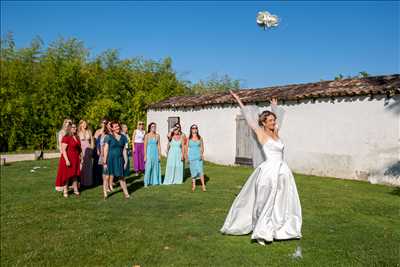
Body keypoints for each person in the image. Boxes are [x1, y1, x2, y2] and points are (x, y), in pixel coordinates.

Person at [220, 91, 302, 246]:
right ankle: (260, 232)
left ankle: (277, 228)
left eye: (273, 120)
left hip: (283, 171)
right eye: (270, 120)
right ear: (263, 123)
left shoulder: (276, 132)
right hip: (269, 171)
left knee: (281, 200)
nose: (273, 122)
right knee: (264, 201)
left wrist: (274, 107)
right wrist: (238, 100)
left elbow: (276, 121)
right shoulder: (261, 133)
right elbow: (250, 119)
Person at [103, 121, 130, 199]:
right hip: (110, 159)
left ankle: (126, 194)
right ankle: (105, 193)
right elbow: (106, 149)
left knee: (121, 177)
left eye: (118, 126)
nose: (117, 128)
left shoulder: (123, 137)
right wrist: (104, 162)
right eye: (115, 127)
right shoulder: (108, 137)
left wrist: (126, 161)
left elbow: (124, 150)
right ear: (112, 128)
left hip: (119, 159)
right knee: (107, 176)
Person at [55, 122, 81, 198]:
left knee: (75, 175)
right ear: (69, 128)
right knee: (67, 176)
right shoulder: (66, 137)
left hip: (75, 158)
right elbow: (63, 150)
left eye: (75, 127)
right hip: (68, 158)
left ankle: (76, 189)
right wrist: (67, 160)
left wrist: (80, 156)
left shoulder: (76, 137)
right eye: (73, 127)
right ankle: (65, 191)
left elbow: (78, 148)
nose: (75, 128)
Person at [186, 124, 206, 192]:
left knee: (200, 171)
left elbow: (202, 147)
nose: (194, 129)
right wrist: (187, 157)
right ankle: (194, 185)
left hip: (198, 156)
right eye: (193, 128)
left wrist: (201, 154)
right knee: (193, 171)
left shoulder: (200, 138)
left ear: (197, 129)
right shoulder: (188, 138)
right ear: (191, 129)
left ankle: (203, 185)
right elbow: (186, 148)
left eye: (195, 128)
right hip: (191, 156)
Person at [55, 118, 72, 191]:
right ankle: (62, 185)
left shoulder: (71, 133)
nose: (68, 124)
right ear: (64, 123)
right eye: (67, 123)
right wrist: (63, 153)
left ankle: (70, 184)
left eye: (70, 123)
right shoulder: (61, 133)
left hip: (71, 153)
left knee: (70, 170)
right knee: (64, 171)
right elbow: (60, 144)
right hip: (64, 153)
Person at [143, 122, 161, 186]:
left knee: (155, 167)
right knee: (148, 167)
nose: (154, 128)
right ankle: (146, 183)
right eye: (152, 127)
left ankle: (155, 181)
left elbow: (159, 146)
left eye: (155, 126)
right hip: (149, 153)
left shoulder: (157, 135)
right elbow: (145, 146)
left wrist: (159, 155)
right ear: (150, 128)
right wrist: (145, 156)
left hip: (155, 153)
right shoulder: (147, 135)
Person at [78, 120, 94, 187]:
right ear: (80, 124)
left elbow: (92, 141)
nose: (85, 125)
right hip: (82, 149)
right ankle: (81, 182)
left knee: (89, 166)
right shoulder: (78, 132)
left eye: (86, 124)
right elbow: (78, 143)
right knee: (82, 166)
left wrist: (92, 149)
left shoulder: (89, 131)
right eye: (83, 123)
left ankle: (88, 182)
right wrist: (79, 152)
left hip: (88, 149)